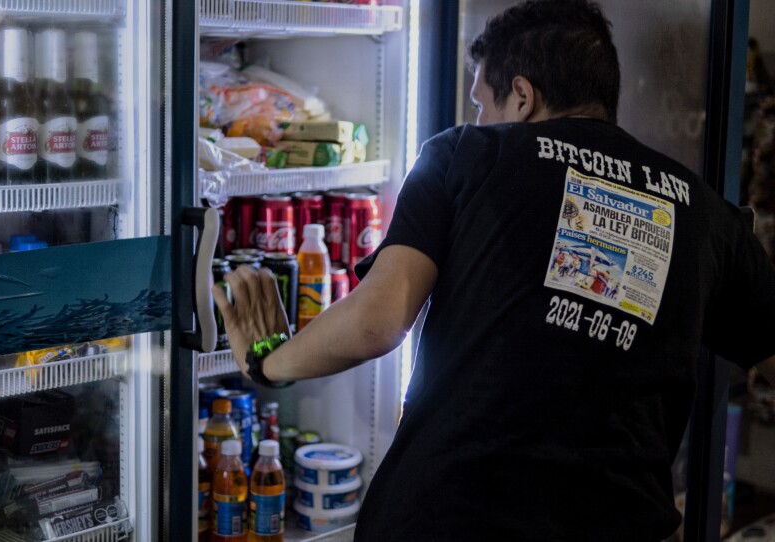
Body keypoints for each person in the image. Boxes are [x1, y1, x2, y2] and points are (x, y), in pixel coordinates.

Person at [213, 1, 775, 539]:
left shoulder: (467, 153)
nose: (477, 118)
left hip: (447, 516)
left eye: (482, 103)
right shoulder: (702, 213)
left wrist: (267, 362)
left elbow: (376, 322)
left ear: (524, 97)